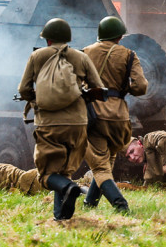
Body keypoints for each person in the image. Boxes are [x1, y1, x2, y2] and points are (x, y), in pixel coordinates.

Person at [17, 18, 104, 221]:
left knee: (47, 175)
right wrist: (81, 94)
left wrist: (37, 99)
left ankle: (69, 188)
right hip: (78, 124)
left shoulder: (36, 56)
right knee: (64, 172)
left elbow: (23, 89)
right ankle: (61, 217)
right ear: (68, 39)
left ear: (47, 40)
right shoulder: (81, 57)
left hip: (49, 124)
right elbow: (98, 89)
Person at [81, 15, 147, 212]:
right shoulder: (129, 55)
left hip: (94, 115)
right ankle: (89, 203)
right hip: (119, 118)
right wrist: (123, 90)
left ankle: (121, 205)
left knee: (100, 167)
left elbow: (73, 83)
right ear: (119, 36)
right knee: (106, 162)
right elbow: (141, 86)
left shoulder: (85, 52)